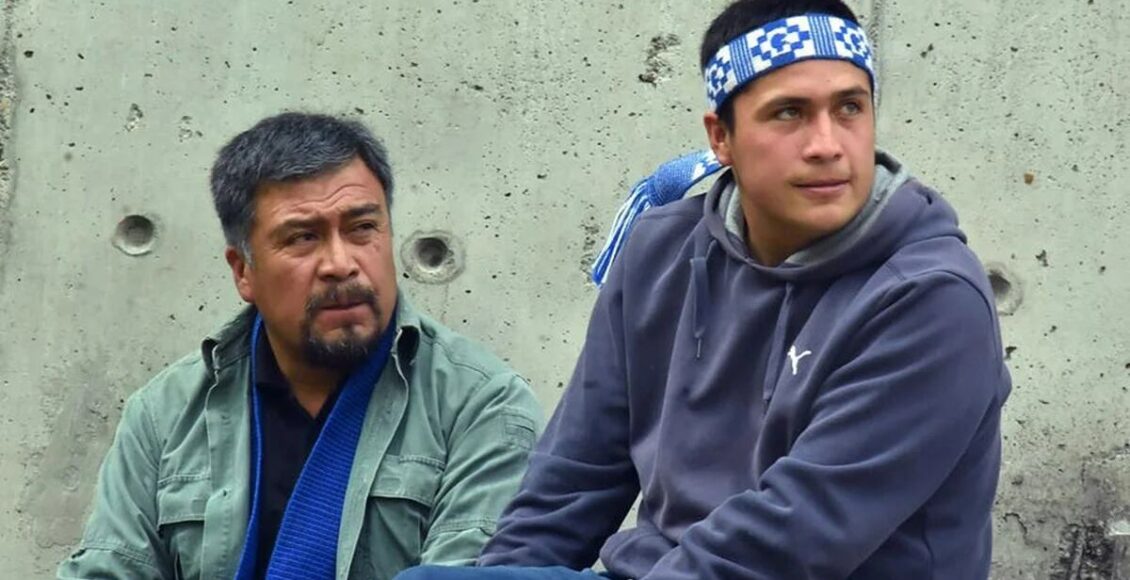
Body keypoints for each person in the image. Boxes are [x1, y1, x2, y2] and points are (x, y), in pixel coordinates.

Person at [396, 0, 1011, 578]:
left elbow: (787, 542)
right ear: (721, 138)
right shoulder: (660, 252)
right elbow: (571, 482)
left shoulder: (931, 298)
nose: (827, 145)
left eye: (849, 108)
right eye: (789, 112)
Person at [58, 112, 543, 580]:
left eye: (362, 228)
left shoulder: (480, 406)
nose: (341, 263)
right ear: (243, 271)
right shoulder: (164, 415)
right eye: (303, 238)